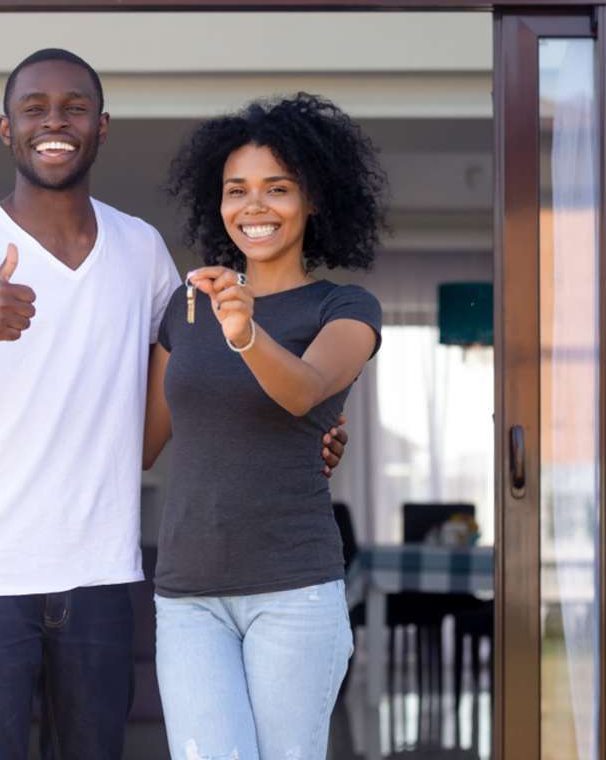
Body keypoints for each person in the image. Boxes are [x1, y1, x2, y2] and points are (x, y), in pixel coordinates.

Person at [0, 49, 348, 760]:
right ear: (7, 130)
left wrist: (304, 436)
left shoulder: (141, 248)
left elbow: (194, 377)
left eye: (74, 107)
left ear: (102, 126)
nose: (54, 122)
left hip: (101, 573)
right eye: (34, 108)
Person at [142, 93, 385, 760]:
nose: (255, 206)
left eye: (278, 188)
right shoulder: (187, 308)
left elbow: (304, 393)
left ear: (313, 201)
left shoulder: (345, 306)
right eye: (237, 190)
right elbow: (137, 444)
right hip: (189, 596)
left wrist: (246, 333)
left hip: (294, 592)